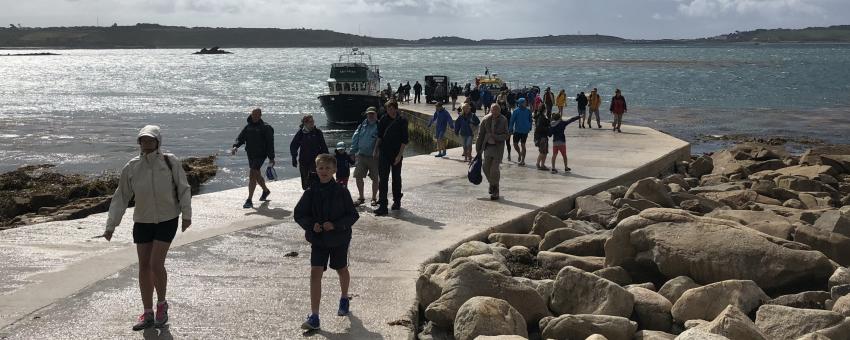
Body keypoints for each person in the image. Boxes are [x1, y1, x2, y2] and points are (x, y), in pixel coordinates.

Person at [102, 125, 192, 331]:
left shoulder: (170, 162)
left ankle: (162, 305)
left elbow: (184, 188)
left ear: (158, 142)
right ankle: (148, 312)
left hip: (167, 219)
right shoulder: (132, 167)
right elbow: (121, 197)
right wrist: (111, 225)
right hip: (142, 221)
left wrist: (186, 215)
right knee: (143, 266)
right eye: (143, 140)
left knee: (155, 263)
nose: (146, 144)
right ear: (139, 143)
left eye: (150, 140)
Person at [295, 154, 360, 331]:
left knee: (341, 269)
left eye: (327, 168)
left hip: (339, 239)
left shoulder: (341, 191)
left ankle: (344, 297)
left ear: (334, 170)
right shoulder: (310, 192)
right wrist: (311, 225)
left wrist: (336, 225)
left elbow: (353, 215)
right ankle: (314, 316)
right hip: (318, 240)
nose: (324, 171)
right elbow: (299, 214)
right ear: (316, 169)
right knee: (315, 273)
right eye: (321, 168)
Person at [231, 108, 275, 209]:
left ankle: (249, 200)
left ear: (260, 115)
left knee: (252, 174)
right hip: (250, 154)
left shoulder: (266, 127)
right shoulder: (248, 127)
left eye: (256, 115)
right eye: (253, 114)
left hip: (261, 155)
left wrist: (271, 158)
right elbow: (241, 138)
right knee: (256, 174)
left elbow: (270, 143)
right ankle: (265, 190)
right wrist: (235, 146)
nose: (254, 116)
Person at [373, 101, 408, 215]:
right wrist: (375, 149)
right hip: (384, 152)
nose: (390, 111)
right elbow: (379, 136)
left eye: (392, 108)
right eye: (388, 109)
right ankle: (383, 205)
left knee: (396, 178)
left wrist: (399, 155)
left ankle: (397, 201)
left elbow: (404, 141)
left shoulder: (402, 121)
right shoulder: (383, 119)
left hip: (396, 154)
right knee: (383, 179)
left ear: (396, 109)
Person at [475, 103, 509, 200]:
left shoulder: (504, 120)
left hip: (498, 147)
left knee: (494, 169)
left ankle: (495, 189)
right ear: (490, 110)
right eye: (492, 110)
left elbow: (506, 135)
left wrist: (496, 137)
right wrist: (478, 149)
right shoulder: (485, 119)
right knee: (485, 167)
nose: (494, 112)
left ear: (499, 111)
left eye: (496, 110)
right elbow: (480, 134)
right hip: (487, 147)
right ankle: (493, 184)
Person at [350, 107, 380, 206]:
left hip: (374, 157)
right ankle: (361, 197)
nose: (370, 115)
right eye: (369, 114)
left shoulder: (379, 126)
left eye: (372, 114)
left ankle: (374, 198)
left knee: (375, 178)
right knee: (358, 176)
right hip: (361, 155)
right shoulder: (362, 125)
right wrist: (352, 152)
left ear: (376, 114)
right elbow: (355, 138)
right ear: (366, 114)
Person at [290, 114, 330, 190]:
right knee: (305, 184)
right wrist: (294, 158)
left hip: (316, 161)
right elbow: (293, 146)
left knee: (316, 181)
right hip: (304, 161)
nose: (312, 123)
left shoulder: (317, 132)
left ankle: (316, 198)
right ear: (305, 123)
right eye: (310, 122)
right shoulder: (301, 133)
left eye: (313, 121)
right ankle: (308, 196)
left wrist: (327, 159)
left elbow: (323, 146)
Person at [508, 98, 533, 166]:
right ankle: (519, 153)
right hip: (517, 130)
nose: (526, 103)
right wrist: (510, 129)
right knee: (515, 145)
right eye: (524, 102)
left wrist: (530, 126)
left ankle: (522, 160)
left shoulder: (528, 111)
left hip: (525, 131)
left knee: (523, 145)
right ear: (520, 103)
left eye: (525, 102)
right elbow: (512, 121)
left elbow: (530, 119)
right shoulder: (516, 111)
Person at [533, 105, 551, 171]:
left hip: (539, 136)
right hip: (542, 136)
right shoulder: (542, 117)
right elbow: (540, 127)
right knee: (543, 151)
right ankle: (538, 164)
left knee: (545, 151)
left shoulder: (538, 116)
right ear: (544, 110)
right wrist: (548, 128)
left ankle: (542, 165)